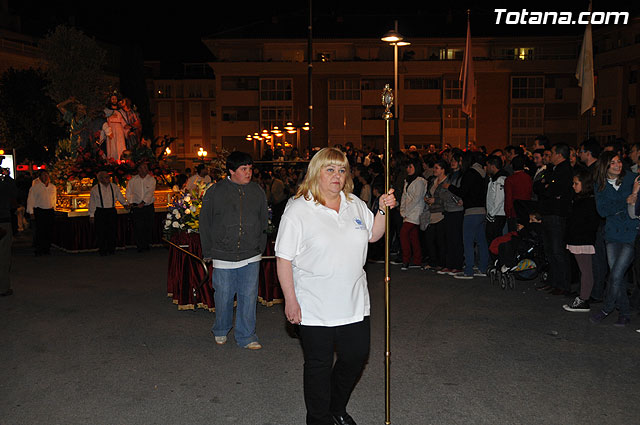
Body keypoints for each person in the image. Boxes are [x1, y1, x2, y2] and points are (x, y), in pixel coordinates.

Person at [275, 147, 396, 425]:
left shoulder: (353, 203)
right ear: (316, 173)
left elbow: (374, 235)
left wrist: (382, 209)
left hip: (354, 303)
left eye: (342, 170)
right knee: (318, 366)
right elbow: (283, 259)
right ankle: (318, 419)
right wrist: (290, 300)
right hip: (314, 305)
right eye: (330, 169)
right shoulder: (299, 209)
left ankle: (336, 407)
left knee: (355, 359)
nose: (337, 176)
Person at [199, 151, 268, 349]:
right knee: (224, 295)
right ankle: (221, 329)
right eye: (243, 169)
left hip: (250, 253)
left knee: (249, 296)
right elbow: (205, 222)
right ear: (231, 171)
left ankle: (247, 336)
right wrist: (208, 251)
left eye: (250, 169)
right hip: (223, 253)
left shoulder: (257, 191)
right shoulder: (215, 191)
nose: (249, 173)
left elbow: (264, 220)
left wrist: (260, 246)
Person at [590, 152, 639, 327]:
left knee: (616, 274)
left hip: (631, 233)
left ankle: (607, 308)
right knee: (618, 277)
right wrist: (625, 201)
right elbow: (602, 210)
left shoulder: (632, 178)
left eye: (619, 162)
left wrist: (631, 198)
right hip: (611, 234)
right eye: (613, 163)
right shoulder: (600, 184)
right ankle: (624, 313)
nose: (618, 165)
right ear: (605, 166)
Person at [534, 143, 573, 295]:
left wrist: (547, 188)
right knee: (549, 250)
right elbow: (538, 186)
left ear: (559, 154)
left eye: (552, 154)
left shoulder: (565, 170)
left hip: (557, 214)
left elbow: (555, 190)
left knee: (557, 251)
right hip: (548, 212)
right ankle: (553, 281)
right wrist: (546, 187)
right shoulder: (551, 169)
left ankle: (562, 284)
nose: (549, 157)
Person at [562, 169, 600, 312]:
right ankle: (583, 297)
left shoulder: (588, 201)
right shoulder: (581, 200)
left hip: (582, 240)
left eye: (576, 183)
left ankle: (584, 299)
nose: (573, 186)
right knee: (584, 270)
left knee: (586, 270)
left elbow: (588, 223)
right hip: (578, 239)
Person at [89, 171, 128, 256]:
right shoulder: (95, 189)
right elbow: (92, 203)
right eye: (106, 177)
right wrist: (92, 215)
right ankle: (102, 250)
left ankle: (111, 249)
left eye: (108, 177)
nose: (108, 179)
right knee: (101, 232)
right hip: (100, 211)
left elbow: (120, 196)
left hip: (111, 211)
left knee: (112, 231)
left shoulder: (114, 187)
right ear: (101, 179)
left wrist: (125, 204)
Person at [399, 157, 427, 270]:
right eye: (407, 167)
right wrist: (402, 210)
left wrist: (405, 211)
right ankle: (417, 260)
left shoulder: (420, 181)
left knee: (404, 234)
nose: (408, 169)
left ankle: (406, 259)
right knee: (413, 236)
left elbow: (416, 199)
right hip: (408, 211)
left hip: (415, 211)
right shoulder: (408, 180)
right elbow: (404, 196)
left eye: (411, 167)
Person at [126, 163, 156, 252]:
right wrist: (131, 202)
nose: (145, 170)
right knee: (138, 227)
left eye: (146, 168)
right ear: (138, 169)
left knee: (148, 226)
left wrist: (143, 202)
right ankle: (140, 246)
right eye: (142, 168)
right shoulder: (133, 180)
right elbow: (128, 192)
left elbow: (150, 192)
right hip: (136, 207)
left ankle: (146, 244)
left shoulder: (151, 179)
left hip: (148, 206)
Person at [26, 170, 56, 256]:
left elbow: (54, 199)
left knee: (49, 231)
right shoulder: (35, 188)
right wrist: (31, 212)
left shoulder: (52, 187)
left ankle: (47, 248)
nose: (45, 177)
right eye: (43, 175)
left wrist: (54, 208)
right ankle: (39, 249)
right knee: (40, 231)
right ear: (40, 177)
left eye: (47, 175)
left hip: (49, 211)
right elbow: (31, 200)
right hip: (40, 211)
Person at [0, 166, 17, 296]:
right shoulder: (4, 184)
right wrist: (7, 177)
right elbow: (14, 193)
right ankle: (3, 287)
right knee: (4, 256)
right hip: (3, 221)